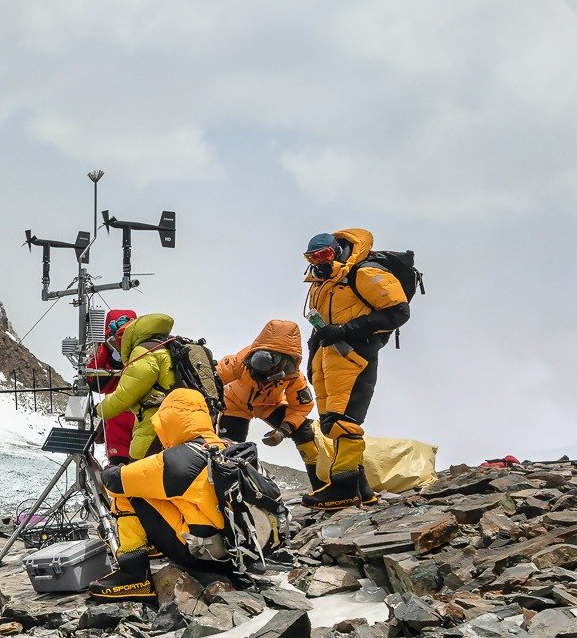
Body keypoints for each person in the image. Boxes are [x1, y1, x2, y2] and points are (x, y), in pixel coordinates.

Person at [87, 388, 237, 601]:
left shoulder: (178, 459)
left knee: (128, 494)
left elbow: (115, 482)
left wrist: (113, 468)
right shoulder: (224, 446)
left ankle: (134, 574)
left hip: (201, 554)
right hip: (233, 552)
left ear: (170, 421)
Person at [302, 229, 411, 509]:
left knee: (345, 420)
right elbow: (321, 326)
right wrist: (312, 360)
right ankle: (363, 492)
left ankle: (343, 489)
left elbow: (398, 311)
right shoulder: (321, 283)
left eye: (324, 254)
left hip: (355, 355)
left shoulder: (362, 273)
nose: (319, 261)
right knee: (331, 423)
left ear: (337, 250)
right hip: (328, 358)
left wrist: (345, 330)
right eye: (312, 257)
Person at [216, 319, 323, 488]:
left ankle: (322, 487)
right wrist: (208, 401)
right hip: (234, 404)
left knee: (306, 433)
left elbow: (301, 407)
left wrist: (283, 430)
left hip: (270, 405)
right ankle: (232, 493)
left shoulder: (294, 377)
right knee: (228, 448)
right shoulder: (243, 358)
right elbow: (215, 378)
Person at [94, 311, 177, 458]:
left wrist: (99, 410)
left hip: (147, 424)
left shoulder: (144, 352)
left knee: (133, 474)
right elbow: (97, 383)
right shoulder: (168, 347)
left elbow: (124, 396)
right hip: (175, 425)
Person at [80, 309, 139, 466]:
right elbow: (96, 383)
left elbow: (97, 384)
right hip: (120, 421)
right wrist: (114, 357)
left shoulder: (143, 350)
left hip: (132, 420)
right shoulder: (105, 349)